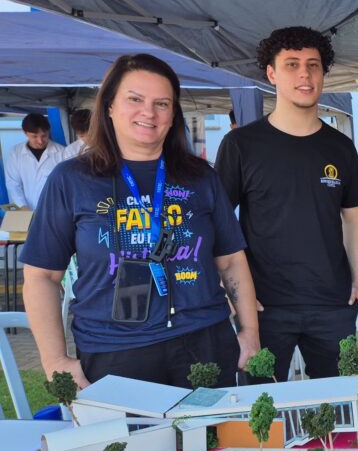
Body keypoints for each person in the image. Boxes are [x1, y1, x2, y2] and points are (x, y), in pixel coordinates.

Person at [21, 54, 259, 390]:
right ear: (109, 106)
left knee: (212, 427)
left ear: (173, 114)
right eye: (135, 99)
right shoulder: (72, 179)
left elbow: (232, 259)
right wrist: (55, 361)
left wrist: (249, 333)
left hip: (204, 341)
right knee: (128, 430)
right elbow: (41, 277)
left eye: (162, 103)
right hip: (114, 350)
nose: (149, 112)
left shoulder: (200, 177)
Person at [216, 26, 358, 382]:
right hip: (263, 307)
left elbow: (353, 219)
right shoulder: (241, 145)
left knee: (339, 405)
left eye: (313, 65)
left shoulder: (340, 146)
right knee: (262, 409)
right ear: (272, 74)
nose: (305, 74)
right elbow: (218, 224)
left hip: (332, 305)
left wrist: (357, 280)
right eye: (292, 65)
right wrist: (230, 293)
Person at [3, 113, 69, 210]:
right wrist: (23, 206)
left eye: (44, 136)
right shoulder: (16, 153)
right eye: (34, 136)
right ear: (25, 133)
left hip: (55, 209)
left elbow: (67, 184)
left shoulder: (62, 152)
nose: (40, 141)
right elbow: (13, 183)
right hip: (27, 209)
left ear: (49, 131)